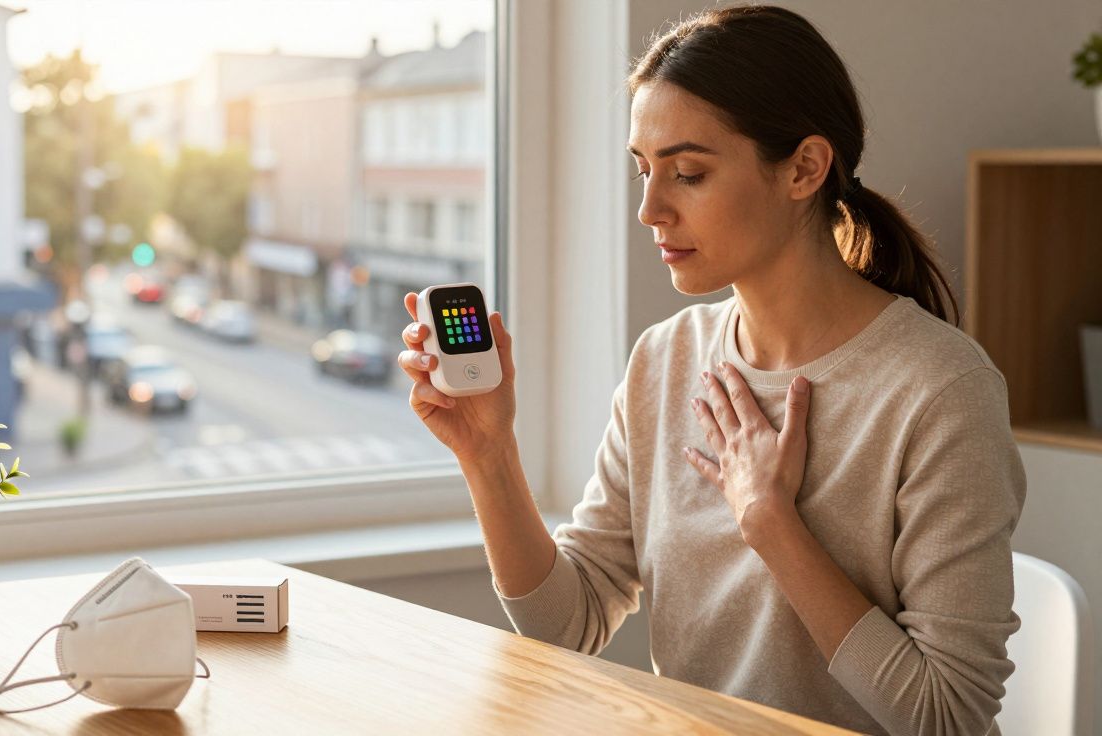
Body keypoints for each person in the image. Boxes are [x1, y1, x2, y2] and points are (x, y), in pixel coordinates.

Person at [396, 5, 1025, 736]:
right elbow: (566, 627)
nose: (649, 209)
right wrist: (488, 454)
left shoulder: (940, 391)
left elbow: (945, 718)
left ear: (804, 168)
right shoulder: (664, 360)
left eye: (688, 173)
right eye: (643, 170)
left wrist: (771, 524)